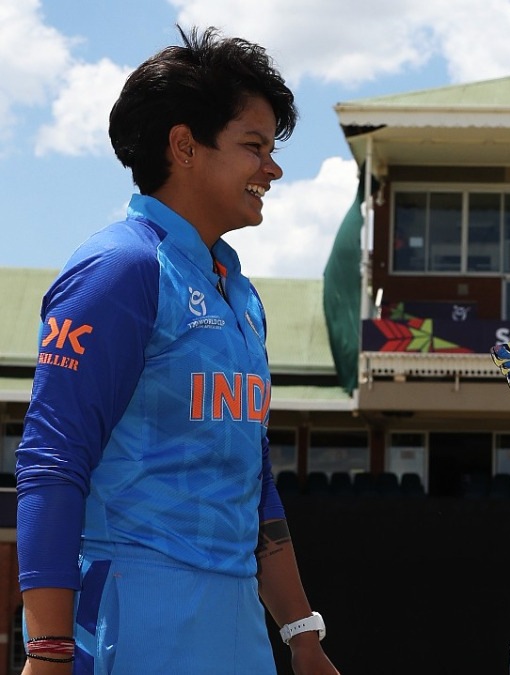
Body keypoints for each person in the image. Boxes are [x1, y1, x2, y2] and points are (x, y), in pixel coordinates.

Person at [15, 26, 340, 674]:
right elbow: (52, 459)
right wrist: (48, 651)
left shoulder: (239, 292)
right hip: (131, 615)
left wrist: (302, 634)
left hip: (238, 624)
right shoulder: (119, 269)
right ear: (184, 146)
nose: (273, 169)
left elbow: (254, 481)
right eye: (254, 146)